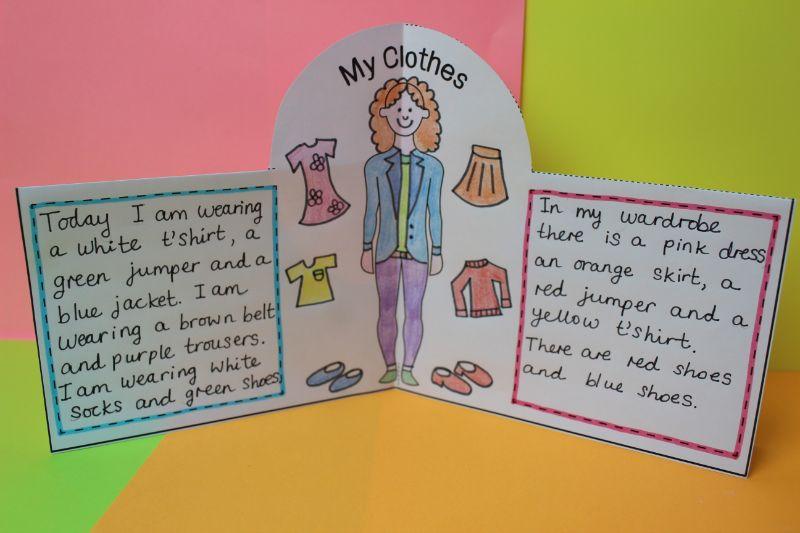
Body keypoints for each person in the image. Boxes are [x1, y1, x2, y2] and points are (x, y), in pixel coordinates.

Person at [361, 77, 444, 386]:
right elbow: (371, 209)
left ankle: (408, 368)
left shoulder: (433, 167)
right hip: (385, 251)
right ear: (385, 114)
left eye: (410, 109)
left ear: (423, 114)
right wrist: (365, 247)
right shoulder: (375, 165)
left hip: (418, 252)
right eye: (397, 109)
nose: (404, 115)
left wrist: (437, 250)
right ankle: (388, 365)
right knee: (385, 310)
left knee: (414, 310)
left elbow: (435, 212)